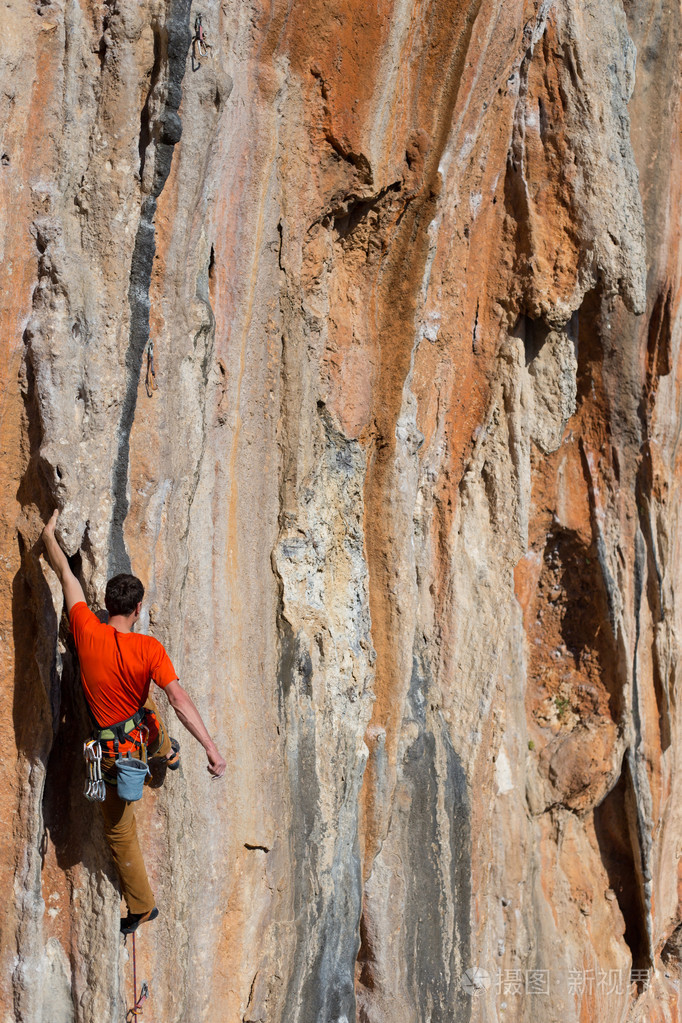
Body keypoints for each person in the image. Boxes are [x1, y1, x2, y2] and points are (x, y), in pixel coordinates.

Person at [41, 509, 226, 933]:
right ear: (138, 609)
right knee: (149, 710)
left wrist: (49, 535)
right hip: (138, 736)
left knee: (120, 831)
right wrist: (211, 749)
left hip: (111, 755)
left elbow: (66, 578)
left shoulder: (86, 629)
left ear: (107, 605)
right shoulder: (149, 649)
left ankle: (141, 906)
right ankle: (167, 752)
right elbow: (178, 699)